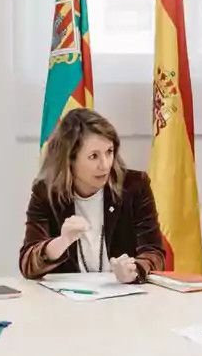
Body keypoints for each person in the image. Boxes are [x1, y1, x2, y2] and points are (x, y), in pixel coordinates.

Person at [20, 108, 164, 283]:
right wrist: (61, 242)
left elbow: (154, 253)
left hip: (125, 298)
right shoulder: (46, 193)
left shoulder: (134, 186)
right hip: (66, 301)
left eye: (109, 152)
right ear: (69, 159)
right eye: (93, 156)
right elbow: (27, 264)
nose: (104, 165)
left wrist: (134, 270)